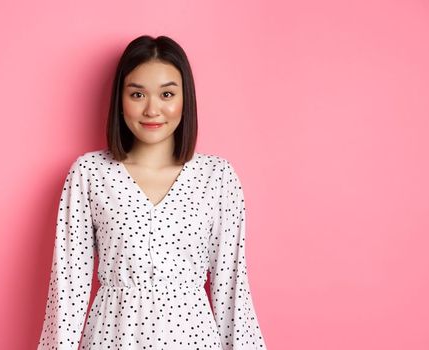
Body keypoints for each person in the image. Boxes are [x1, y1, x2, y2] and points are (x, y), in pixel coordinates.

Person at [37, 35, 267, 350]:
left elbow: (232, 290)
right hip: (113, 338)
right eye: (137, 94)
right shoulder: (90, 174)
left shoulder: (217, 178)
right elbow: (69, 287)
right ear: (120, 99)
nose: (152, 109)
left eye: (167, 94)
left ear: (186, 99)